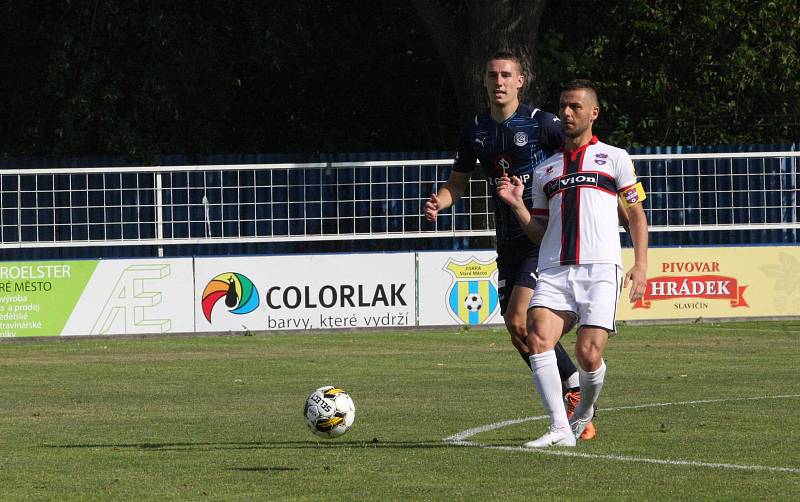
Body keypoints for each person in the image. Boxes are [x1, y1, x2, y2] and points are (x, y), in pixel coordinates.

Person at [424, 52, 596, 439]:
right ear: (484, 82)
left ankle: (570, 401)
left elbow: (578, 159)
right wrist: (441, 200)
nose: (498, 81)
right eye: (492, 75)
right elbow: (458, 181)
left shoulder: (543, 124)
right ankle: (574, 388)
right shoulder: (475, 130)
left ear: (521, 81)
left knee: (523, 320)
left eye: (506, 75)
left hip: (542, 236)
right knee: (517, 330)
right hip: (507, 243)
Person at [496, 79, 649, 448]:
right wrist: (517, 206)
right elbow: (539, 232)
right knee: (537, 337)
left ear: (593, 113)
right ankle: (559, 428)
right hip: (554, 269)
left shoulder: (616, 158)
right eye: (563, 106)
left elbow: (636, 217)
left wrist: (641, 264)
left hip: (600, 269)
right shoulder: (544, 171)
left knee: (587, 353)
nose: (566, 112)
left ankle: (581, 414)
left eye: (575, 107)